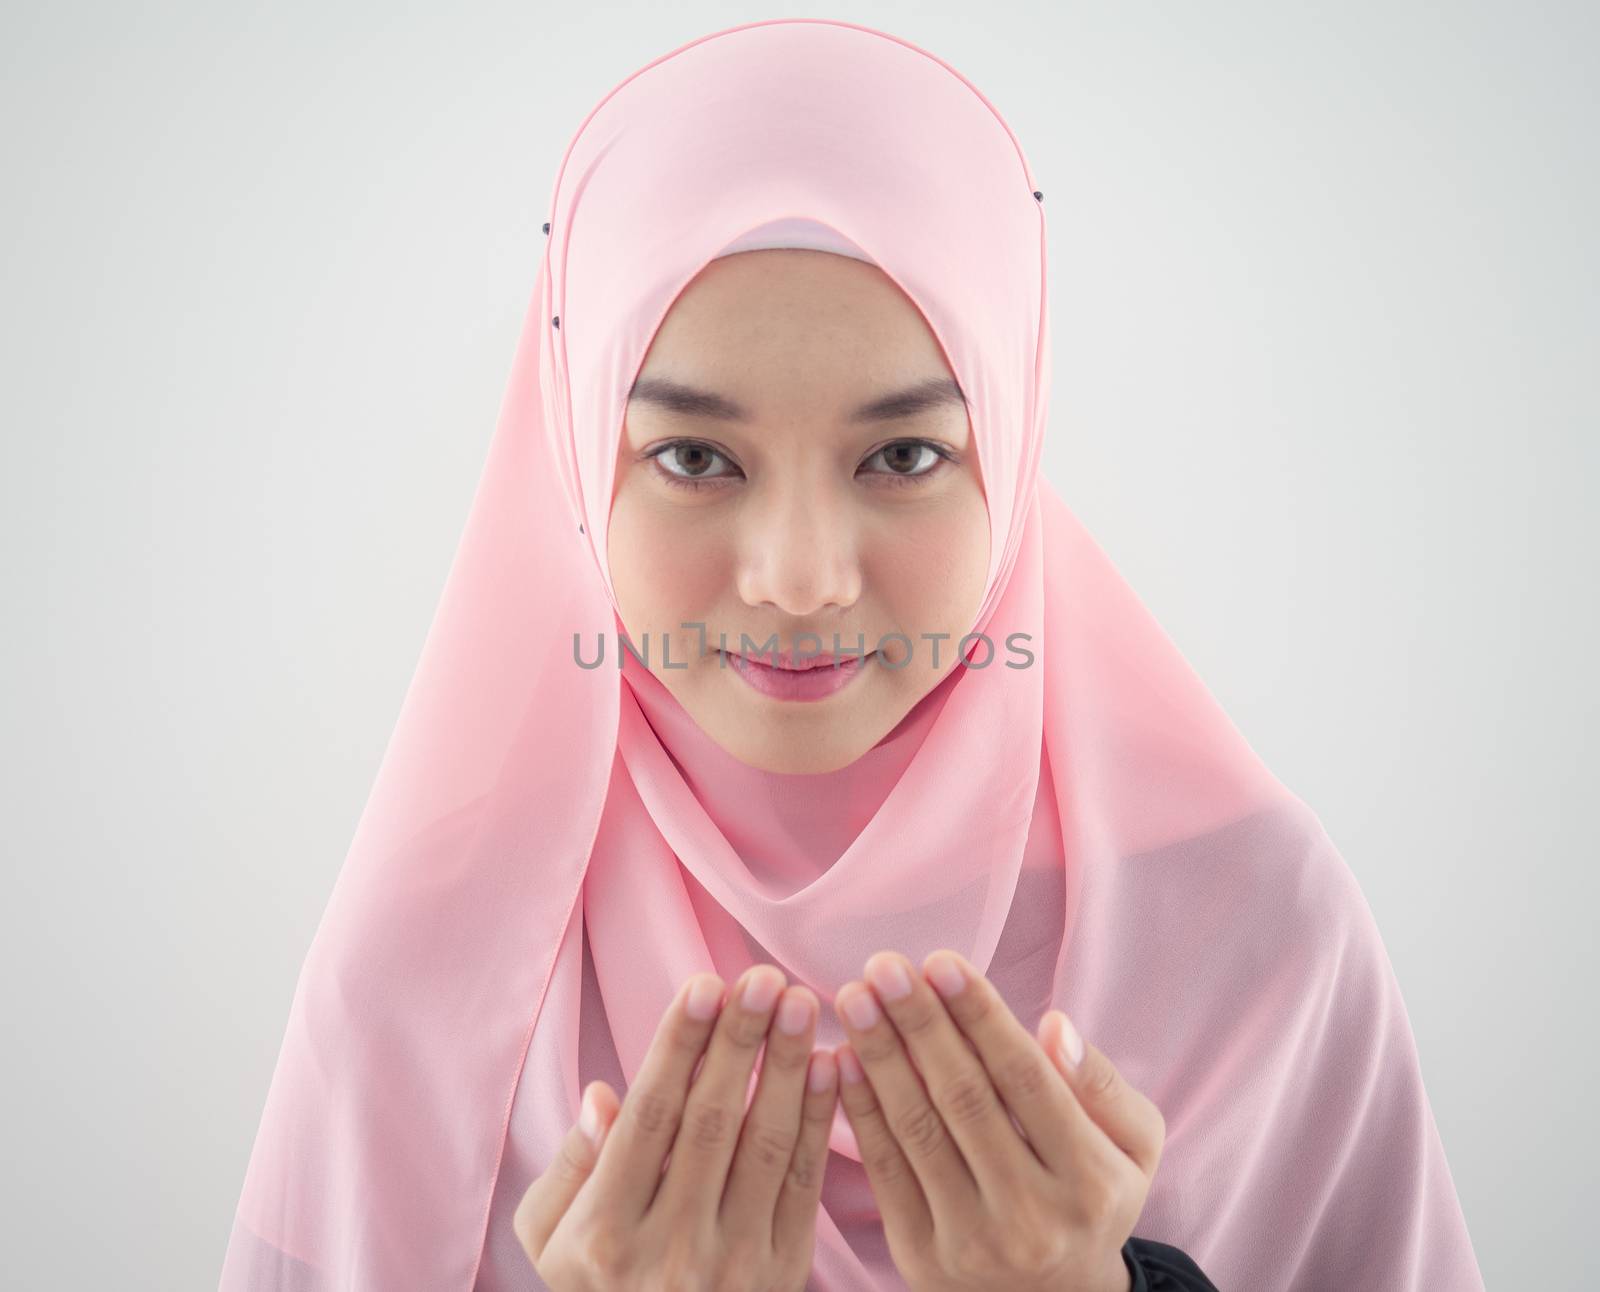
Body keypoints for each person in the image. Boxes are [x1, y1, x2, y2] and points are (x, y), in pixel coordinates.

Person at [219, 18, 1485, 1292]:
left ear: (1012, 431)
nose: (802, 577)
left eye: (904, 455)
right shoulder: (426, 982)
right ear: (575, 450)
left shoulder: (1256, 937)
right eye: (695, 457)